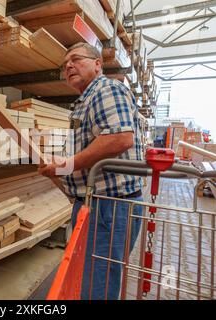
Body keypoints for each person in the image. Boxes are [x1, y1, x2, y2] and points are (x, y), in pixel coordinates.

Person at [38, 42, 144, 300]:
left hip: (109, 207)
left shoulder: (106, 89)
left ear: (98, 64)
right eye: (65, 65)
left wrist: (66, 165)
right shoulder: (85, 100)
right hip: (96, 206)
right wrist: (61, 164)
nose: (69, 66)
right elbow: (91, 147)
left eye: (76, 59)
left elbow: (120, 138)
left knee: (98, 284)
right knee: (89, 277)